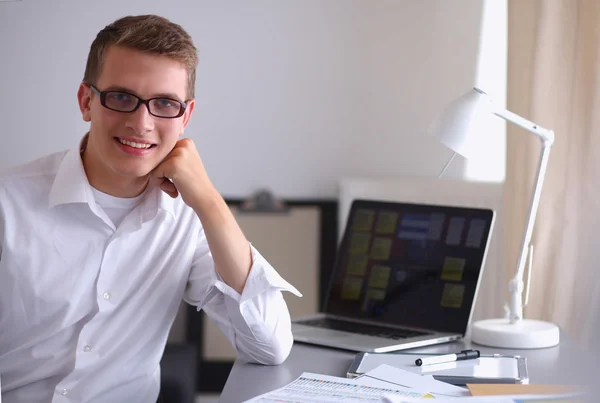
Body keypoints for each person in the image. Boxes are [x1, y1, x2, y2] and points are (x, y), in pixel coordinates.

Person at [0, 14, 300, 403]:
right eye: (121, 97)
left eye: (164, 103)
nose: (141, 123)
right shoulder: (8, 202)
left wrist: (209, 202)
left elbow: (269, 346)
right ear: (86, 101)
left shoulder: (188, 217)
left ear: (185, 116)